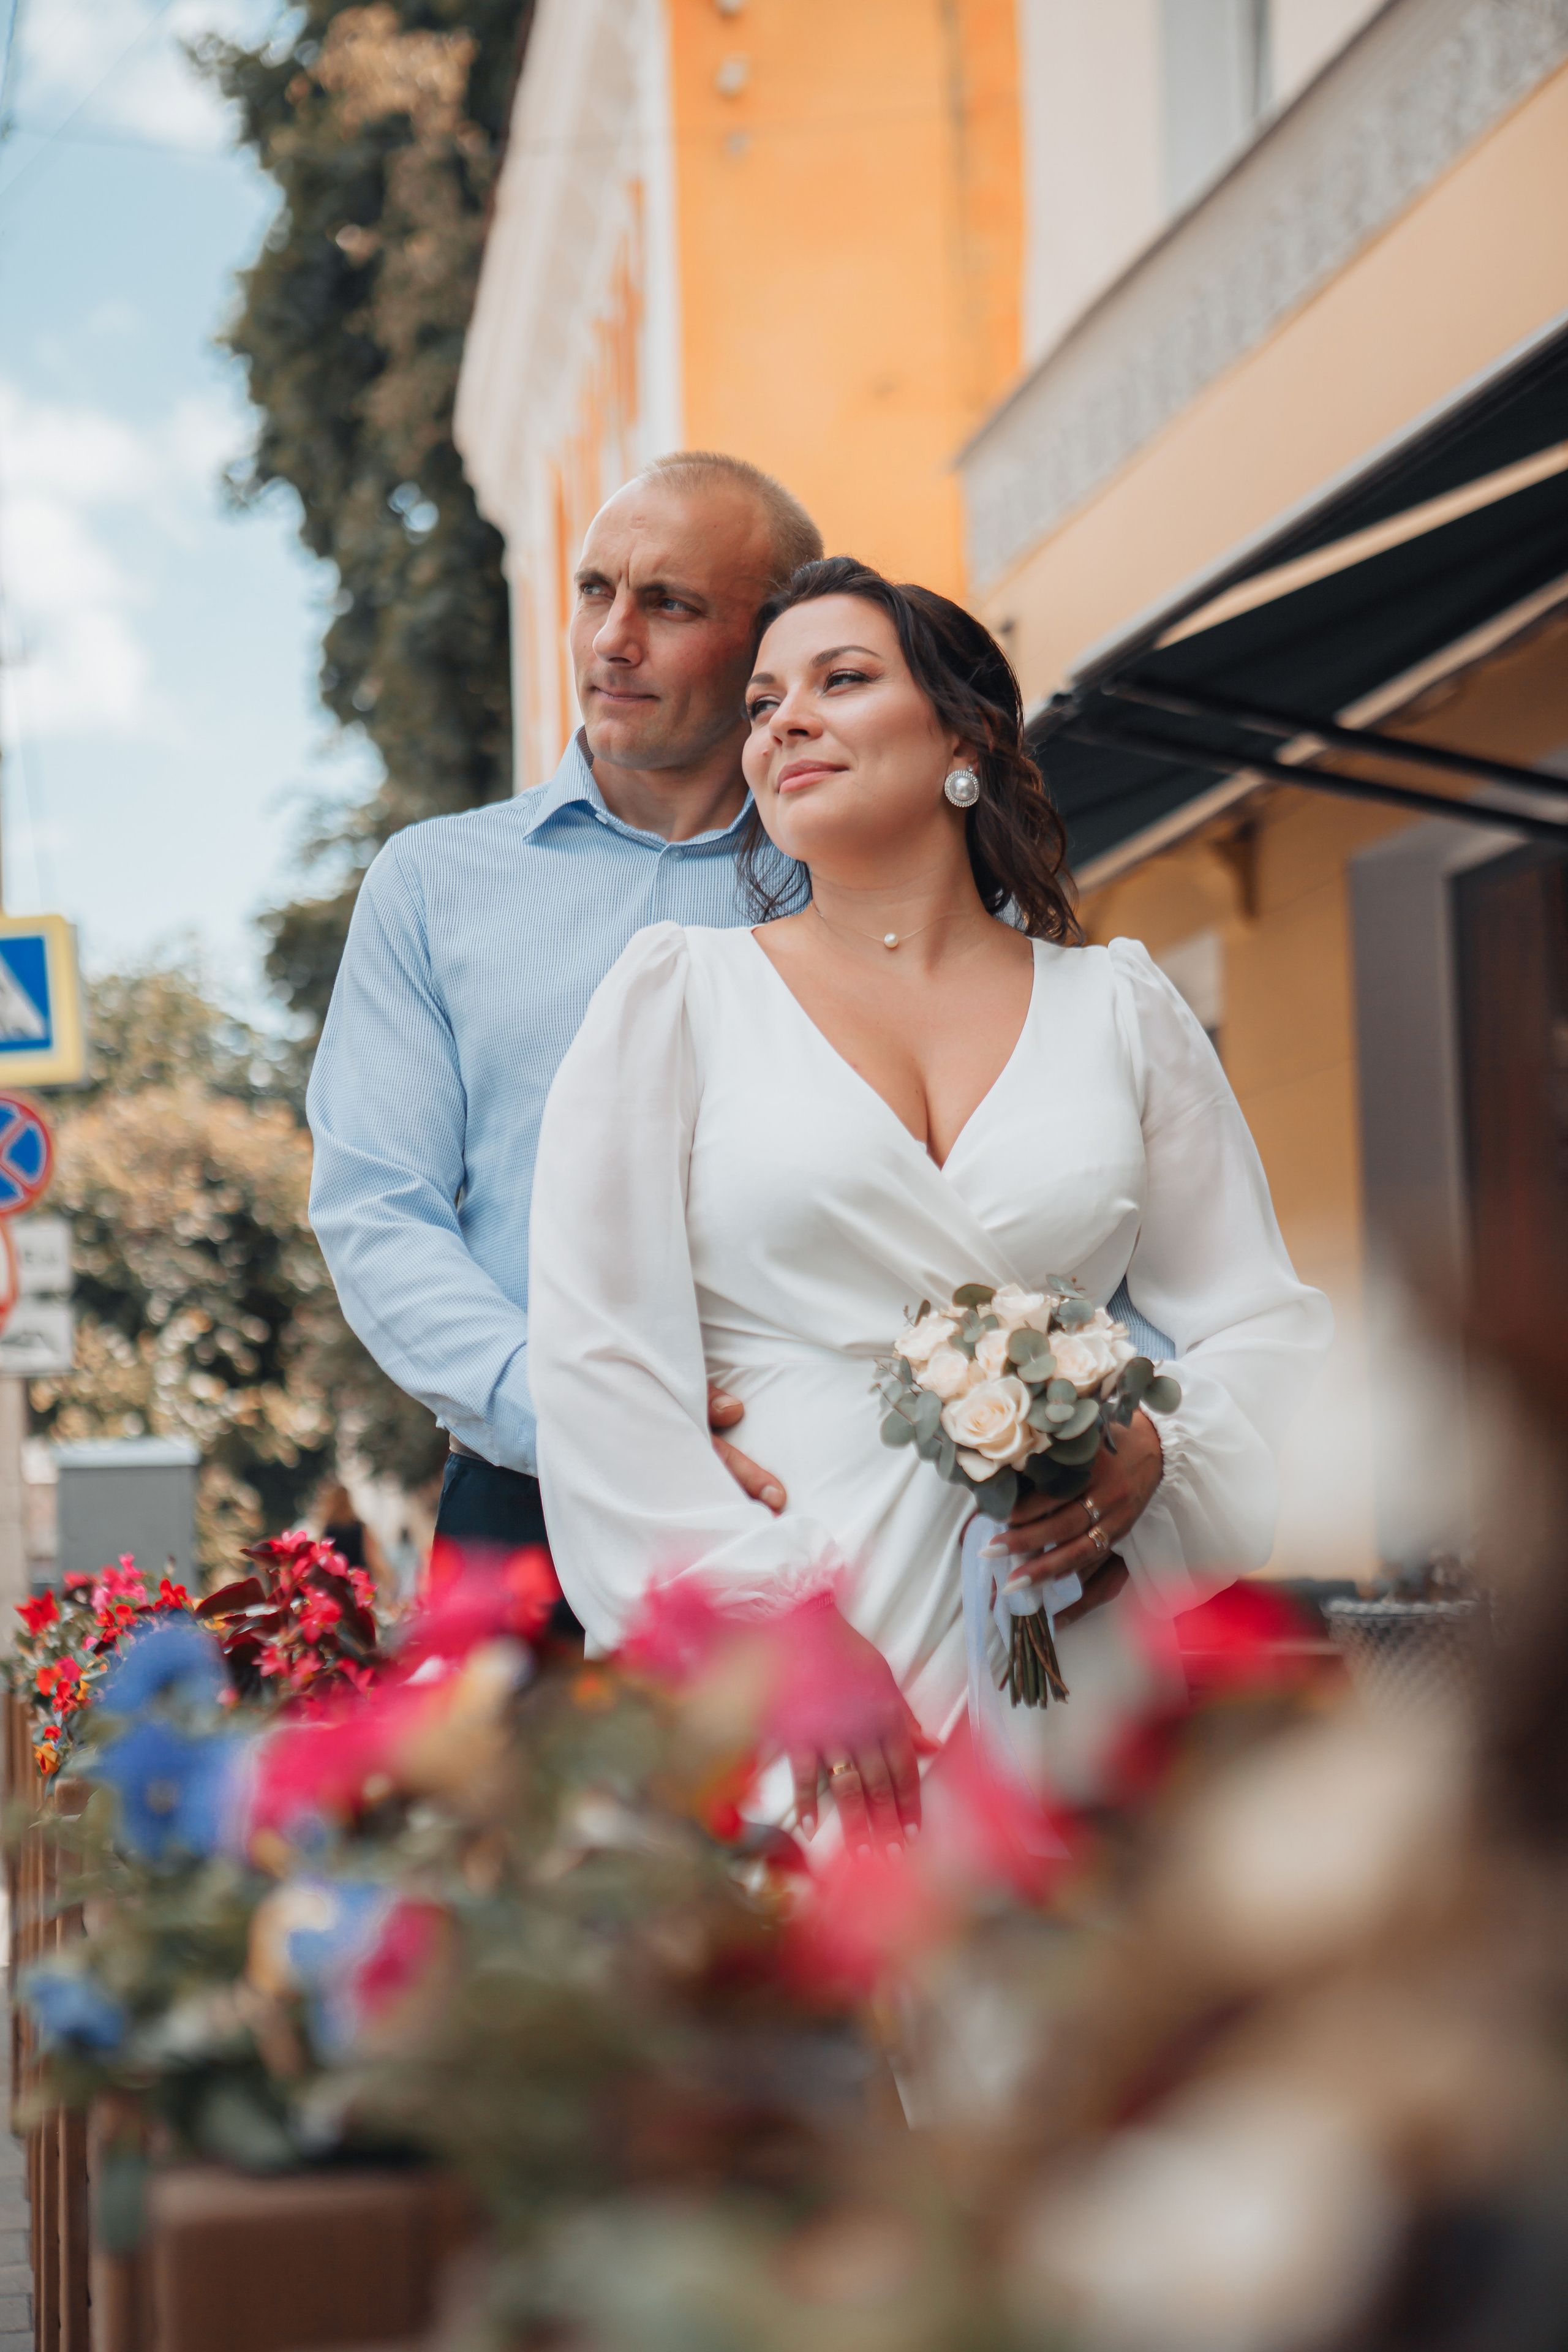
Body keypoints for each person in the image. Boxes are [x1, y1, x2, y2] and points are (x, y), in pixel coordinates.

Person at [528, 557, 1333, 1847]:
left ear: (966, 734)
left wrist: (1158, 1454)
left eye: (839, 681)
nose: (781, 720)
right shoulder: (675, 999)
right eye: (760, 701)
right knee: (798, 2017)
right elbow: (596, 1364)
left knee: (1070, 2013)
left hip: (1071, 1624)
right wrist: (779, 1638)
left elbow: (1257, 1323)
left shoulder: (1119, 1008)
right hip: (793, 1640)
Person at [307, 454, 825, 1560]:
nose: (610, 639)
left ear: (769, 645)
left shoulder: (856, 876)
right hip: (528, 1499)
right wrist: (570, 1416)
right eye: (595, 590)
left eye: (669, 604)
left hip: (827, 1480)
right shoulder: (432, 883)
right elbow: (376, 1207)